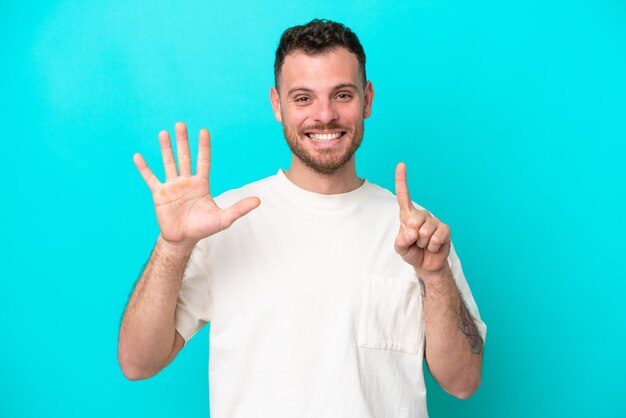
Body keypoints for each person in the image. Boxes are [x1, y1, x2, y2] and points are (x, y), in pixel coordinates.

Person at [118, 19, 486, 418]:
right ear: (277, 105)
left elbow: (463, 382)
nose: (324, 116)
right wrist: (173, 246)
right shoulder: (223, 220)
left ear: (368, 99)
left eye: (342, 95)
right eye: (303, 98)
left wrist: (434, 275)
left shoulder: (416, 232)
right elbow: (138, 363)